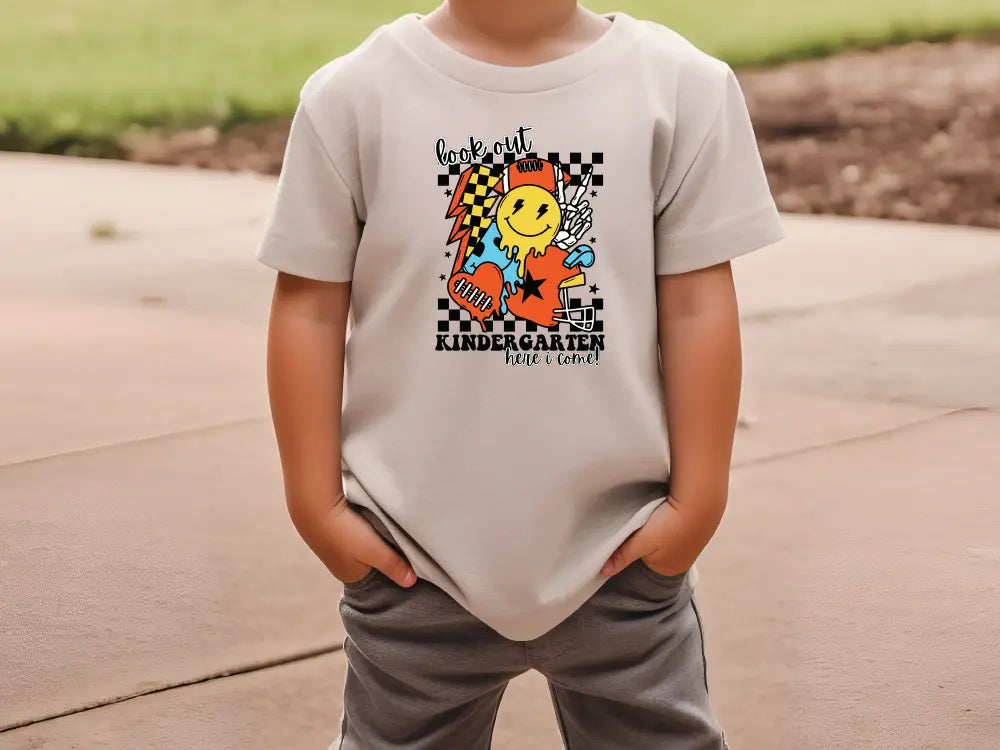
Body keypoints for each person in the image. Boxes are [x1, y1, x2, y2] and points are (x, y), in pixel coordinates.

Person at [256, 0, 785, 747]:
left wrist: (698, 503)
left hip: (622, 554)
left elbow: (699, 307)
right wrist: (316, 507)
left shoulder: (678, 89)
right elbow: (307, 309)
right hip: (412, 561)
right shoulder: (352, 97)